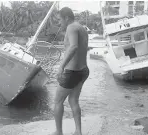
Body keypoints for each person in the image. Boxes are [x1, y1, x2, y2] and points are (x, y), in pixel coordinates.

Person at [53, 7, 89, 135]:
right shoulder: (82, 28)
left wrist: (61, 66)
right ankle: (78, 131)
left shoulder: (71, 27)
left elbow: (73, 46)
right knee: (73, 100)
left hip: (72, 72)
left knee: (57, 101)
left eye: (59, 20)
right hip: (83, 70)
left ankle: (58, 132)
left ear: (66, 18)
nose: (59, 23)